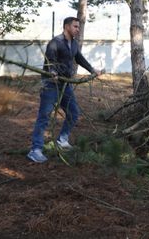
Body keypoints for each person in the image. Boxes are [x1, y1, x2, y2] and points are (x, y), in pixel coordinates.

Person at [27, 17, 102, 163]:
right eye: (75, 26)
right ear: (67, 26)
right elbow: (50, 59)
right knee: (44, 117)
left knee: (73, 113)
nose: (77, 29)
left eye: (78, 27)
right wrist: (53, 72)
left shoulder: (73, 43)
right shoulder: (55, 42)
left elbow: (79, 58)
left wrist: (92, 69)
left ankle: (62, 139)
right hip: (50, 84)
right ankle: (35, 150)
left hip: (65, 84)